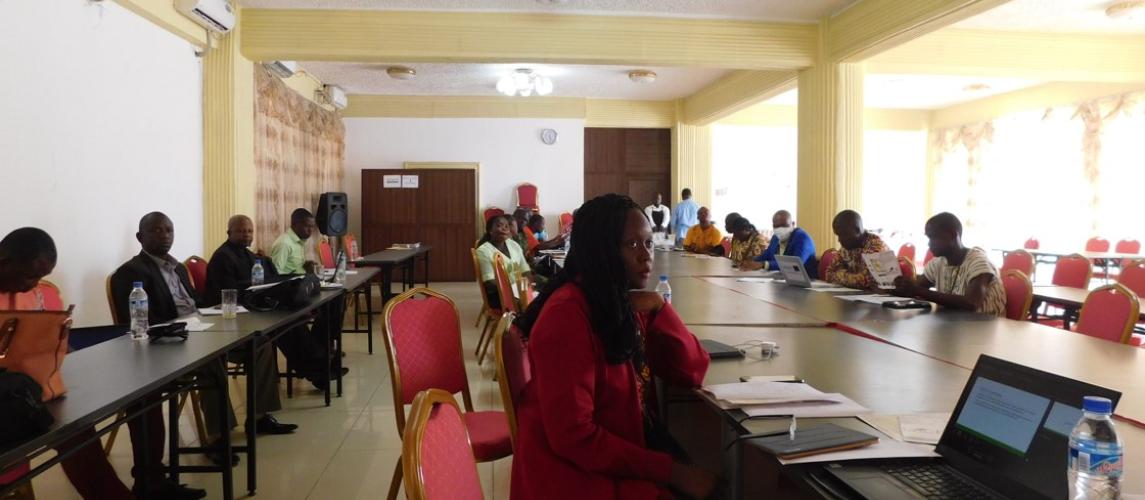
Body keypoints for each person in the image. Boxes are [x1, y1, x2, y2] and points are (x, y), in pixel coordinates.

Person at [510, 194, 717, 500]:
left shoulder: (619, 303)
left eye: (648, 244)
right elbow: (574, 437)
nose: (646, 256)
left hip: (612, 458)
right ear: (602, 250)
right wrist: (671, 471)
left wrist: (660, 308)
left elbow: (692, 371)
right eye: (632, 245)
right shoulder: (567, 316)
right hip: (575, 479)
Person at [0, 228, 144, 500]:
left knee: (77, 431)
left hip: (24, 390)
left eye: (41, 277)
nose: (33, 285)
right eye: (29, 276)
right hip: (10, 400)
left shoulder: (30, 292)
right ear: (5, 261)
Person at [108, 213, 231, 494]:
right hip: (164, 348)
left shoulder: (177, 269)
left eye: (169, 230)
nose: (165, 235)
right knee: (213, 363)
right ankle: (217, 439)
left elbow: (194, 304)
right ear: (140, 237)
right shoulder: (130, 273)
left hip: (197, 331)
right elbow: (143, 323)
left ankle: (231, 430)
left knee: (250, 345)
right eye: (156, 230)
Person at [200, 215, 306, 435]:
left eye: (249, 231)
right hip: (223, 325)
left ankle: (259, 417)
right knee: (263, 340)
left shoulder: (249, 255)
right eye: (240, 231)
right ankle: (221, 433)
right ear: (229, 233)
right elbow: (229, 294)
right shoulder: (223, 257)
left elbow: (266, 281)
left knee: (270, 339)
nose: (246, 235)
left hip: (247, 317)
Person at [269, 208, 348, 388]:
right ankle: (319, 363)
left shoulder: (298, 242)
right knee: (312, 316)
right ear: (294, 224)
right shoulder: (284, 244)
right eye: (306, 226)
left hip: (300, 290)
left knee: (335, 302)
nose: (310, 231)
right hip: (288, 296)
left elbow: (293, 269)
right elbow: (275, 277)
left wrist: (306, 268)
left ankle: (324, 351)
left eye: (312, 227)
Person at [893, 212, 1007, 316]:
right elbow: (917, 288)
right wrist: (899, 287)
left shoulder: (979, 263)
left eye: (933, 237)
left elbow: (971, 303)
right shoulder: (938, 263)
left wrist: (917, 290)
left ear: (952, 235)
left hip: (985, 329)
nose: (929, 243)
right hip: (956, 327)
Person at [823, 210, 890, 289]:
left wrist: (840, 274)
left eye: (843, 234)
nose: (839, 240)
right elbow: (829, 274)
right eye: (838, 235)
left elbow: (866, 282)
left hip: (882, 298)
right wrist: (854, 277)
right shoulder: (848, 246)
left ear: (857, 230)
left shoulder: (876, 247)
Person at [476, 214, 531, 309]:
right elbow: (490, 283)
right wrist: (513, 290)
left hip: (518, 290)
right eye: (499, 225)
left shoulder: (514, 245)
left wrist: (527, 286)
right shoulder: (483, 251)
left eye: (506, 226)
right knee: (531, 307)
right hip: (498, 295)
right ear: (490, 230)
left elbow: (525, 270)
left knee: (540, 298)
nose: (504, 228)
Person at [740, 210, 818, 276]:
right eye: (776, 226)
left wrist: (763, 264)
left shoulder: (802, 238)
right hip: (780, 280)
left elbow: (794, 265)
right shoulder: (776, 237)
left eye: (784, 225)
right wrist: (751, 262)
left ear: (793, 224)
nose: (780, 229)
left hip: (805, 283)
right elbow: (767, 255)